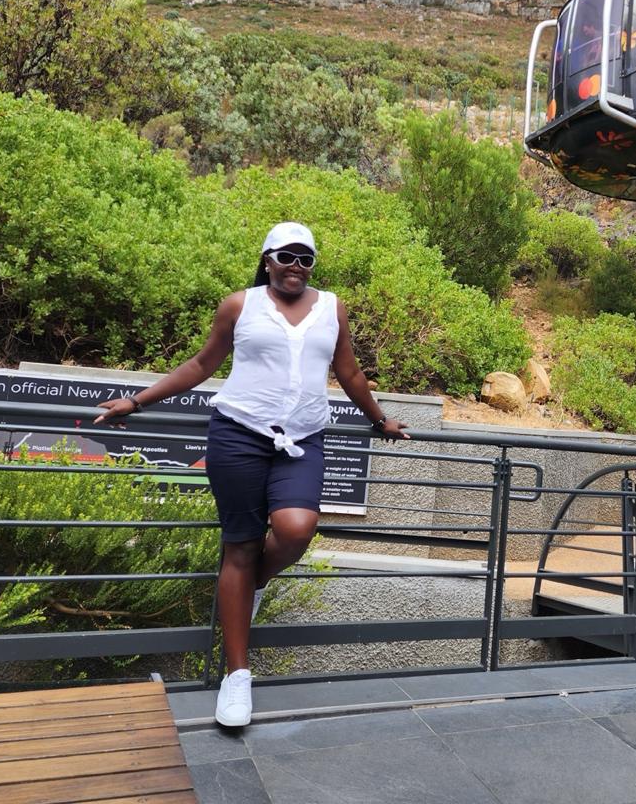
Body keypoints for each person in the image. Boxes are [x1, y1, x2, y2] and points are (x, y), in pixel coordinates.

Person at [95, 222, 409, 728]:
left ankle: (247, 588)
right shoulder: (239, 305)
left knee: (296, 528)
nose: (296, 266)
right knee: (240, 545)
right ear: (266, 259)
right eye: (286, 255)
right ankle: (237, 678)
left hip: (302, 440)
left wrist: (380, 419)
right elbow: (201, 365)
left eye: (306, 258)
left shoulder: (332, 307)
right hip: (237, 434)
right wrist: (135, 400)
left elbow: (348, 372)